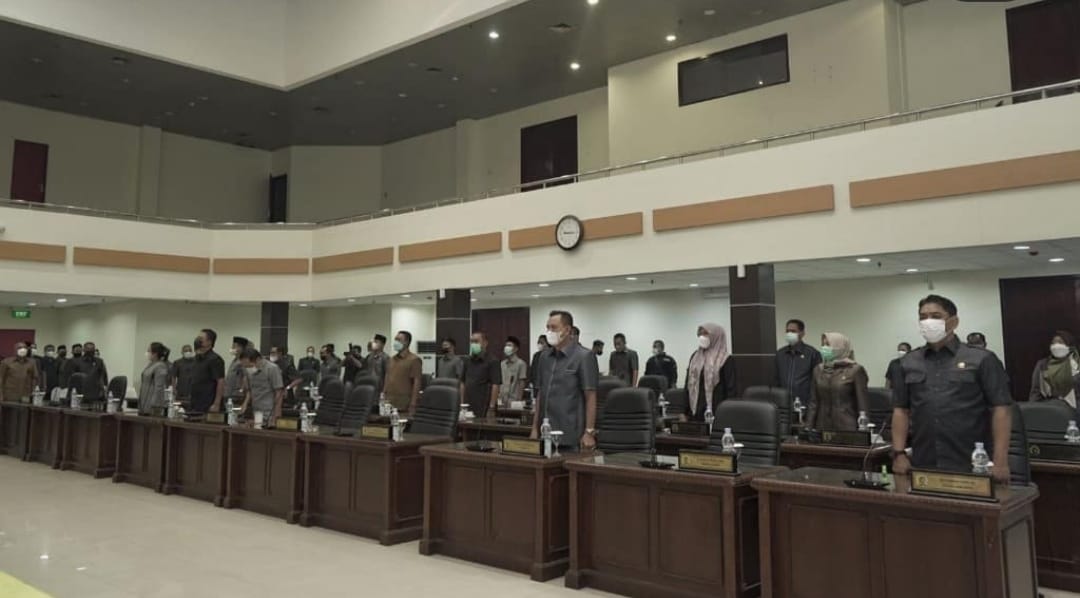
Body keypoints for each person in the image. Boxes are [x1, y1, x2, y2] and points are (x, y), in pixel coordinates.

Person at [891, 295, 1013, 483]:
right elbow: (901, 411)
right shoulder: (907, 362)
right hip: (924, 460)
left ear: (954, 322)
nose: (928, 322)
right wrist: (899, 453)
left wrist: (1000, 461)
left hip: (972, 460)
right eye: (923, 317)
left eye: (936, 316)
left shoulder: (982, 359)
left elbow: (1001, 409)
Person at [530, 311, 598, 450]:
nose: (549, 331)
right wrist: (534, 428)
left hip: (571, 434)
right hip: (545, 432)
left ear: (567, 330)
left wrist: (589, 431)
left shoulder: (584, 356)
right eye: (548, 327)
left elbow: (591, 396)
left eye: (554, 327)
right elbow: (540, 394)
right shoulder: (544, 357)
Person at [805, 333, 869, 431]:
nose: (824, 348)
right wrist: (808, 427)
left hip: (847, 426)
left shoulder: (855, 370)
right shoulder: (818, 370)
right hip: (822, 426)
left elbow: (862, 404)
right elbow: (813, 402)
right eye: (823, 345)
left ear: (839, 348)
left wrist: (863, 429)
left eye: (828, 345)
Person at [686, 323, 736, 422]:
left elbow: (731, 389)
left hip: (717, 410)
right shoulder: (695, 357)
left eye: (705, 334)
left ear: (715, 336)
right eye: (700, 334)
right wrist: (684, 411)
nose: (702, 337)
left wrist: (728, 413)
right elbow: (688, 385)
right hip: (695, 410)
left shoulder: (725, 359)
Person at [774, 319, 822, 407]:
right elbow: (776, 380)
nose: (789, 334)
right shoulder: (780, 354)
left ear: (802, 333)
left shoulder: (812, 354)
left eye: (793, 331)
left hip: (804, 403)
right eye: (787, 331)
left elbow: (817, 382)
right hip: (783, 403)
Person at [1028, 330, 1080, 409]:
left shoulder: (1076, 365)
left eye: (1060, 342)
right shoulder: (1043, 365)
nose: (1056, 346)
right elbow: (1035, 392)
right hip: (1051, 410)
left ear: (1069, 346)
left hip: (1076, 410)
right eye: (1053, 343)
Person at [460, 332, 502, 418]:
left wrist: (491, 408)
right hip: (467, 405)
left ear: (485, 343)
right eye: (471, 342)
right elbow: (462, 383)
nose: (473, 344)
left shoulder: (493, 361)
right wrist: (461, 404)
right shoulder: (467, 361)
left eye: (476, 341)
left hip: (483, 406)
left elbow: (496, 385)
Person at [238, 348, 284, 424]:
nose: (247, 368)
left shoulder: (272, 368)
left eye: (249, 366)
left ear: (258, 359)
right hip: (255, 412)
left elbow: (279, 393)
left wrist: (276, 417)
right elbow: (249, 391)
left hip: (269, 413)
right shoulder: (248, 370)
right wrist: (245, 404)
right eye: (245, 367)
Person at [384, 331, 421, 413]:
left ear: (407, 342)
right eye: (395, 339)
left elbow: (416, 383)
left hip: (404, 404)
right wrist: (383, 395)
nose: (396, 342)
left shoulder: (414, 360)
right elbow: (387, 378)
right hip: (389, 402)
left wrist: (413, 404)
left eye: (399, 340)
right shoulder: (391, 359)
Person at [192, 329, 226, 413]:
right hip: (196, 401)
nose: (198, 340)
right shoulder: (197, 358)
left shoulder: (215, 359)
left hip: (209, 401)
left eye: (201, 338)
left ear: (209, 342)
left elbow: (220, 381)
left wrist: (216, 404)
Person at [138, 342, 171, 415]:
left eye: (148, 351)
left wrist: (154, 405)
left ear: (155, 354)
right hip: (144, 402)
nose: (147, 353)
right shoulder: (151, 364)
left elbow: (159, 387)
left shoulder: (160, 366)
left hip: (152, 405)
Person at [499, 336, 528, 408]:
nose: (506, 347)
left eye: (509, 345)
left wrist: (519, 400)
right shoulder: (502, 364)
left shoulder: (521, 364)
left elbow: (522, 383)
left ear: (516, 349)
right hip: (501, 400)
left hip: (514, 400)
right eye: (506, 345)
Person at [223, 336, 250, 403]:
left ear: (241, 348)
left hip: (237, 396)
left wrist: (241, 390)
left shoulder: (243, 361)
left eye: (234, 346)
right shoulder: (235, 360)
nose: (232, 348)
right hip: (229, 394)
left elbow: (246, 377)